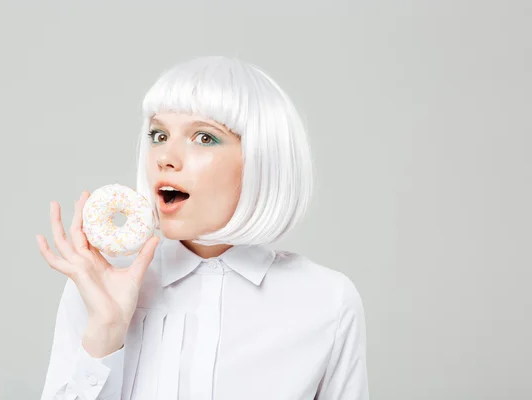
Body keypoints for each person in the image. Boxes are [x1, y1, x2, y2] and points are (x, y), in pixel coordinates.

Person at [36, 56, 370, 400]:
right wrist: (106, 331)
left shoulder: (326, 300)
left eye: (204, 138)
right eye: (159, 134)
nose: (166, 157)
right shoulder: (98, 284)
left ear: (262, 157)